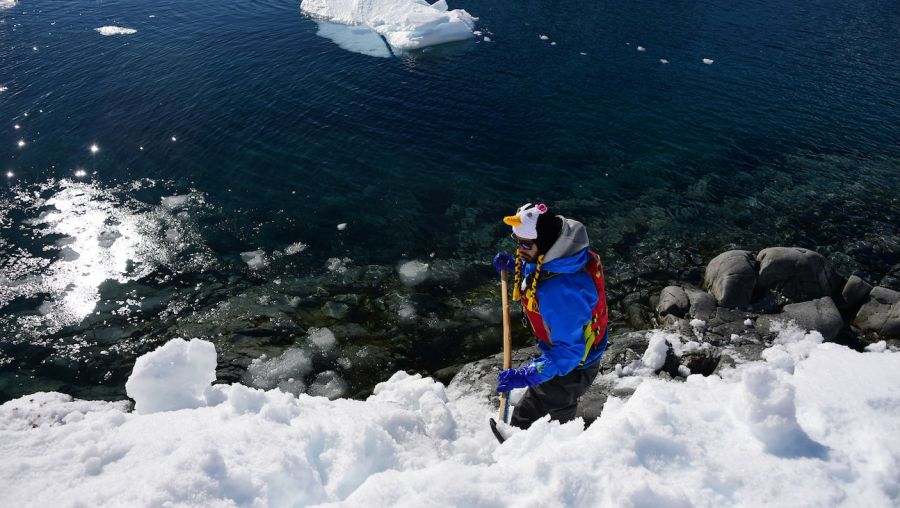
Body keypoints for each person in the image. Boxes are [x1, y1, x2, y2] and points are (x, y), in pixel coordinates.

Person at [492, 203, 609, 429]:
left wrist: (527, 375)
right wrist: (519, 267)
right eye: (517, 242)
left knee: (533, 408)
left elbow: (569, 352)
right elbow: (541, 267)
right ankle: (564, 427)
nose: (519, 249)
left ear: (545, 244)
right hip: (578, 348)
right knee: (559, 401)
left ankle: (525, 442)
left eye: (525, 244)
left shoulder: (561, 293)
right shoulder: (563, 254)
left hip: (576, 365)